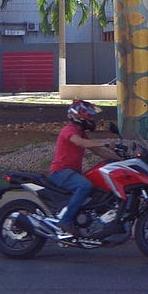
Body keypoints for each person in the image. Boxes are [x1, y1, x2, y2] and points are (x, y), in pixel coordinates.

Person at [48, 100, 120, 239]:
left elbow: (98, 151)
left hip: (71, 173)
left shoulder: (82, 133)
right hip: (60, 172)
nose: (92, 120)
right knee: (85, 185)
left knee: (97, 187)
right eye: (90, 116)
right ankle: (65, 220)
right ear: (79, 116)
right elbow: (79, 142)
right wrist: (104, 142)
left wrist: (120, 159)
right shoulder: (69, 130)